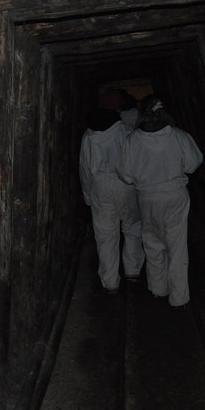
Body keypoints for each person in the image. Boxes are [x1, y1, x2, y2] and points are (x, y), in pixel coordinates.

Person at [117, 95, 202, 307]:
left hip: (148, 197)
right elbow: (192, 164)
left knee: (153, 242)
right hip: (175, 195)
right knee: (177, 244)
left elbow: (125, 174)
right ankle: (179, 297)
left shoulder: (133, 140)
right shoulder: (179, 136)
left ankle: (158, 288)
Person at [79, 106, 144, 293]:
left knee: (105, 235)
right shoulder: (125, 131)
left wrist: (87, 195)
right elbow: (135, 161)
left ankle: (110, 282)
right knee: (132, 227)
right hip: (125, 184)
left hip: (99, 185)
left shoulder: (88, 136)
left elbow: (84, 168)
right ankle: (132, 269)